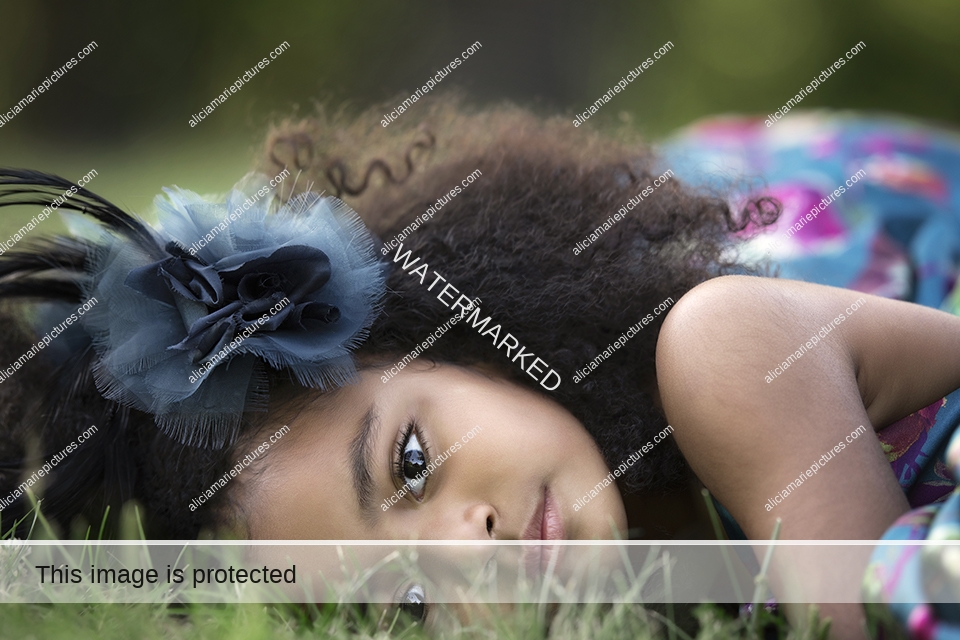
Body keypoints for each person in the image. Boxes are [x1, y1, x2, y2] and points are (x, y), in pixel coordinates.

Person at [1, 97, 959, 636]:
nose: (471, 549)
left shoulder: (729, 341)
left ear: (459, 337)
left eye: (411, 464)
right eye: (409, 605)